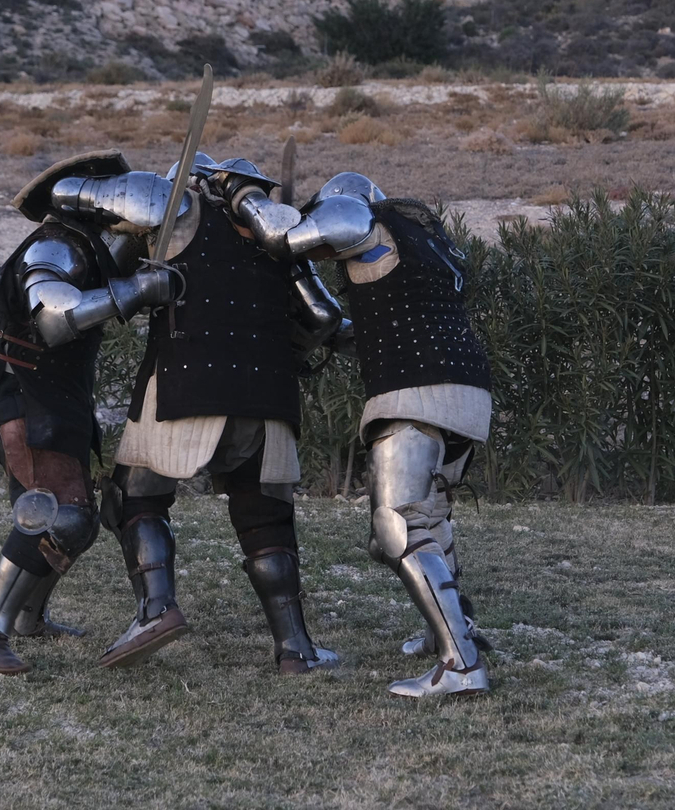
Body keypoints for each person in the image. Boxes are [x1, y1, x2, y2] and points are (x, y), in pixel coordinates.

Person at [49, 154, 341, 674]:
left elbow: (70, 197)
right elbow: (322, 318)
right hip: (268, 395)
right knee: (266, 520)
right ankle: (295, 648)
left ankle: (156, 610)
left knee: (133, 498)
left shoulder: (172, 207)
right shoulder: (280, 232)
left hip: (187, 383)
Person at [242, 172, 494, 697]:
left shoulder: (358, 216)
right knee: (427, 517)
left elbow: (282, 238)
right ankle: (448, 628)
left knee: (396, 526)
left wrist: (240, 197)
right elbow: (384, 326)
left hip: (416, 390)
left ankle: (460, 665)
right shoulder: (427, 243)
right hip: (466, 387)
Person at [0, 149, 178, 676]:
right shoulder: (56, 246)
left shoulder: (86, 247)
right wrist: (139, 289)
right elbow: (55, 318)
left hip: (53, 395)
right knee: (60, 515)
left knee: (70, 517)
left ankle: (28, 617)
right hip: (22, 393)